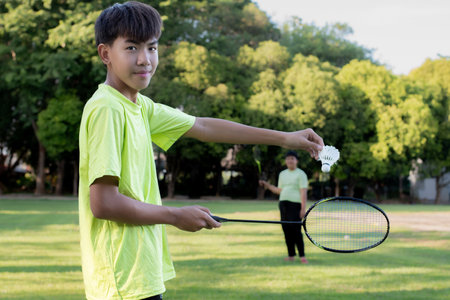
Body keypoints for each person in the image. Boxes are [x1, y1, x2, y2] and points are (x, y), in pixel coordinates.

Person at [78, 2, 323, 299]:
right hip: (121, 280)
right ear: (106, 54)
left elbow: (204, 127)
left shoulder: (139, 106)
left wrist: (286, 138)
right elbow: (103, 203)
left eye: (152, 48)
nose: (145, 59)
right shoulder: (108, 108)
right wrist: (174, 215)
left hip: (138, 274)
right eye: (131, 48)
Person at [259, 151, 309, 264]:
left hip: (295, 204)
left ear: (296, 160)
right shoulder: (282, 174)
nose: (290, 161)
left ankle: (302, 255)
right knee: (286, 229)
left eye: (292, 158)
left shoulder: (301, 174)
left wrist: (303, 208)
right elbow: (279, 190)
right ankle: (291, 254)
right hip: (283, 204)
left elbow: (303, 192)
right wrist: (267, 185)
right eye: (288, 159)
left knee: (296, 230)